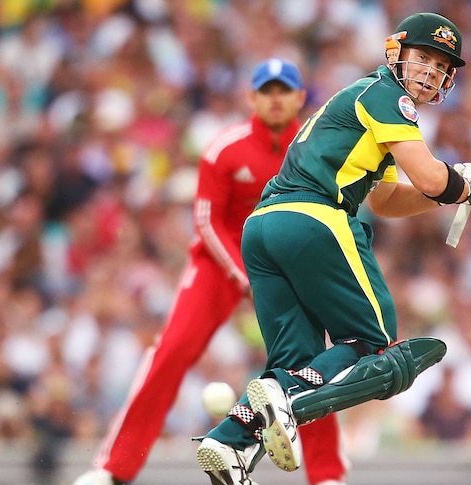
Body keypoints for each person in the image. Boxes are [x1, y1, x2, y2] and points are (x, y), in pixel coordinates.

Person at [195, 12, 471, 485]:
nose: (429, 71)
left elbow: (385, 201)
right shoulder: (387, 96)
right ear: (396, 53)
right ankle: (285, 402)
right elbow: (430, 177)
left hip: (263, 228)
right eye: (422, 57)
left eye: (440, 65)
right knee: (372, 342)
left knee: (296, 365)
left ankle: (229, 441)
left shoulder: (364, 104)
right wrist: (467, 183)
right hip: (314, 218)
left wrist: (460, 189)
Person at [74, 59, 349, 485]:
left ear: (299, 98)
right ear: (252, 98)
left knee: (309, 365)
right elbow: (207, 222)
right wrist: (246, 276)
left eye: (284, 91)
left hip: (288, 268)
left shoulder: (315, 148)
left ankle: (327, 476)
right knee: (171, 350)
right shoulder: (225, 148)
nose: (275, 99)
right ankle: (113, 469)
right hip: (220, 266)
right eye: (267, 91)